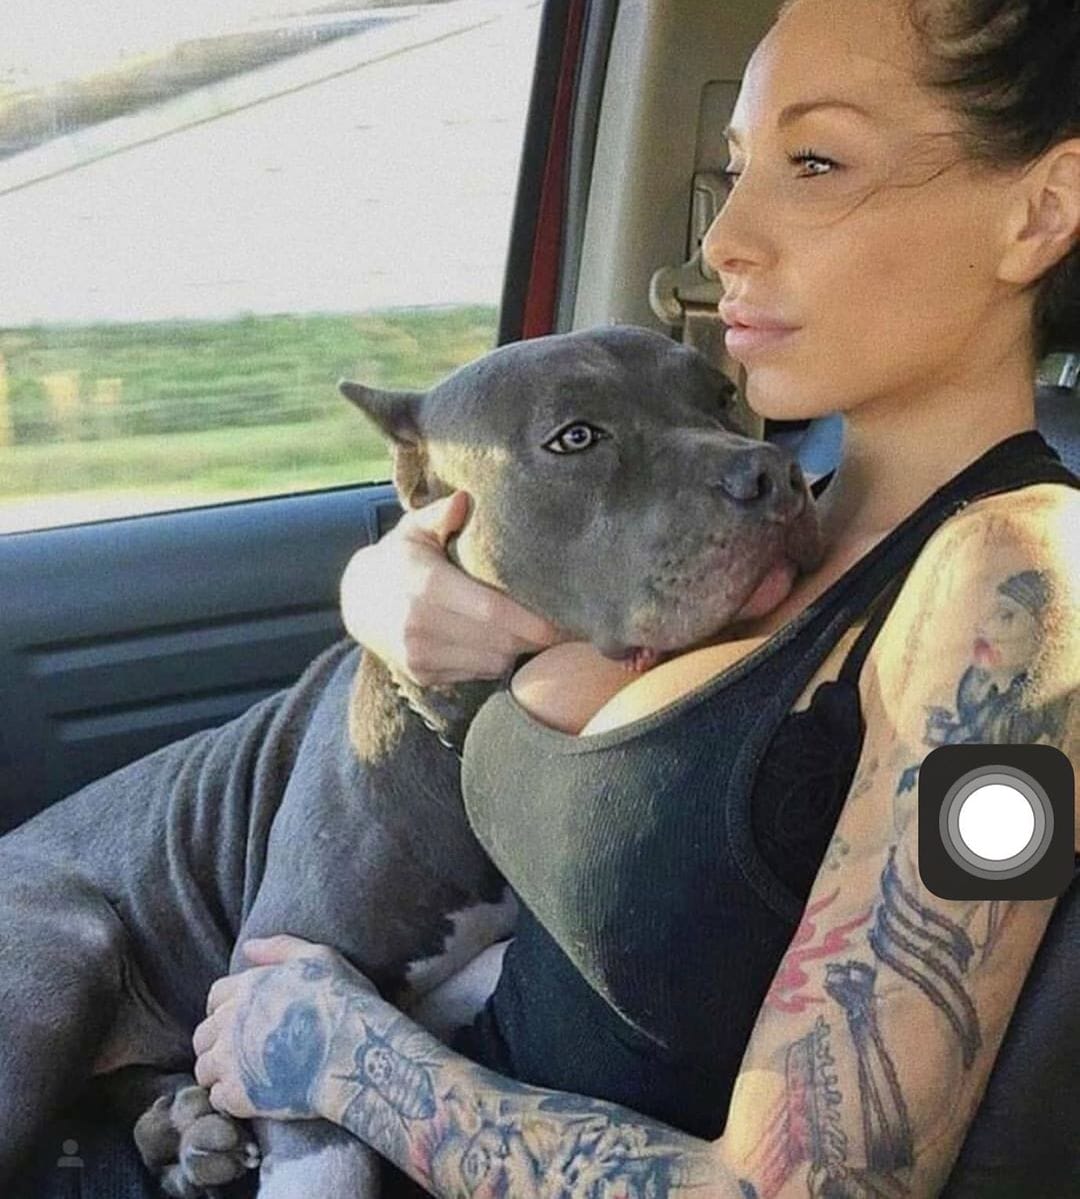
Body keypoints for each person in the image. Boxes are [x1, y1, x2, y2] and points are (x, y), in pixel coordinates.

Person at [191, 0, 1080, 1196]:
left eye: (816, 163)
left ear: (1040, 211)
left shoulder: (1027, 609)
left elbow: (816, 1187)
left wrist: (342, 1055)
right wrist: (393, 581)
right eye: (735, 168)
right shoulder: (776, 508)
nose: (727, 241)